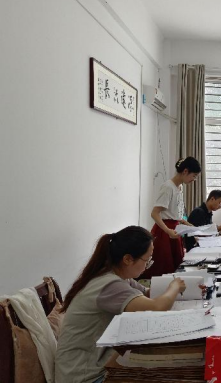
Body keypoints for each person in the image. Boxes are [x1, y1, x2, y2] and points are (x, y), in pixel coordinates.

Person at [55, 226, 203, 383]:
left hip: (95, 362)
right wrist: (174, 287)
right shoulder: (110, 285)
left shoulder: (117, 276)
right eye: (147, 260)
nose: (147, 265)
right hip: (83, 375)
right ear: (127, 259)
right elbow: (156, 307)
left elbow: (147, 293)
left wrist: (189, 287)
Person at [143, 157, 201, 278]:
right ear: (185, 171)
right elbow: (154, 213)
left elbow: (175, 214)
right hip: (164, 231)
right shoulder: (168, 187)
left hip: (174, 230)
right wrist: (167, 230)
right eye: (194, 176)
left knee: (176, 266)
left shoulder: (179, 187)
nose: (194, 180)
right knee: (163, 267)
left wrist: (189, 225)